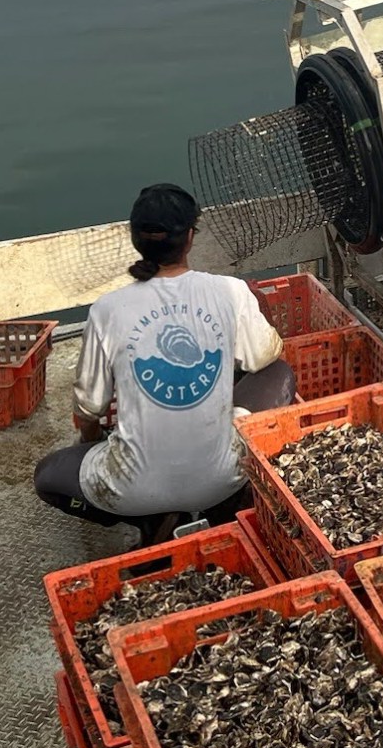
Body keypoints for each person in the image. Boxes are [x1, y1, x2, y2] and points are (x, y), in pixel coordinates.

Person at [34, 183, 284, 546]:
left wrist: (92, 442)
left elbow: (89, 407)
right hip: (223, 475)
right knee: (279, 371)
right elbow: (265, 356)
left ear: (135, 239)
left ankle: (151, 523)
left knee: (47, 478)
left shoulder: (107, 309)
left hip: (130, 489)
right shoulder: (230, 291)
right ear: (190, 238)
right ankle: (222, 506)